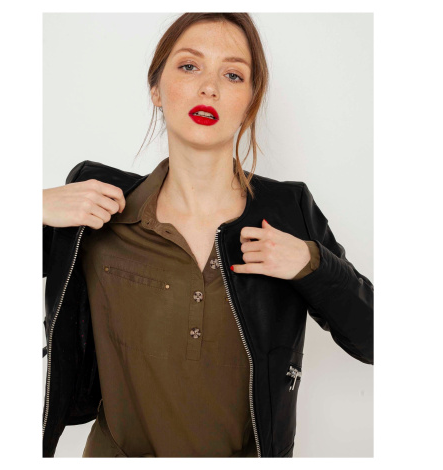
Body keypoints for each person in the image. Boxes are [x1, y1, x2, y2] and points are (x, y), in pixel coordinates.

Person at [42, 13, 373, 458]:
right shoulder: (98, 205)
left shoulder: (288, 210)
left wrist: (312, 264)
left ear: (250, 103)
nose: (209, 88)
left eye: (232, 75)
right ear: (156, 88)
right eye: (189, 66)